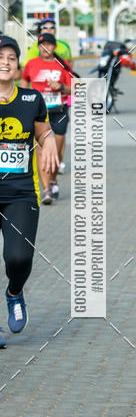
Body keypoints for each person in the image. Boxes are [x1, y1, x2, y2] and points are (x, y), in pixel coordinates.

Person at [0, 34, 59, 338]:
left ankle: (14, 292)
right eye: (0, 58)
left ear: (18, 65)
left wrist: (48, 143)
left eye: (10, 58)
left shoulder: (30, 99)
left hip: (20, 193)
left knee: (19, 257)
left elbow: (45, 133)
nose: (5, 63)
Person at [21, 33, 72, 204]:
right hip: (39, 113)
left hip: (58, 110)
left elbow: (75, 88)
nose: (45, 48)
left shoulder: (63, 65)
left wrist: (61, 86)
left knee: (56, 151)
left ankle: (52, 179)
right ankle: (47, 191)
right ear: (38, 47)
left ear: (54, 47)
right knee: (41, 149)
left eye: (49, 45)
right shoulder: (31, 64)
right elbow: (23, 82)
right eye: (42, 45)